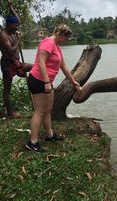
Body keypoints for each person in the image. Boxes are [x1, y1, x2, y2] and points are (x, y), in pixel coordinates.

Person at [26, 24, 80, 153]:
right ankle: (32, 142)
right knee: (40, 111)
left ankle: (49, 135)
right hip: (38, 80)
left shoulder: (57, 47)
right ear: (60, 34)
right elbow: (40, 62)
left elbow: (64, 67)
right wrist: (46, 81)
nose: (66, 41)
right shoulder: (48, 42)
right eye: (65, 38)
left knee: (48, 110)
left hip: (46, 81)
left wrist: (73, 82)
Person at [0, 15, 32, 118]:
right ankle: (10, 114)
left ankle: (38, 98)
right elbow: (11, 50)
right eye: (15, 25)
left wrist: (11, 7)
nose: (17, 28)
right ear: (9, 24)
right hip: (7, 63)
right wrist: (19, 40)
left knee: (35, 68)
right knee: (7, 89)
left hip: (16, 62)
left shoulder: (12, 33)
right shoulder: (3, 35)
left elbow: (17, 17)